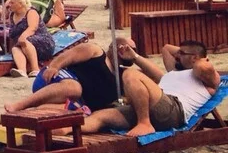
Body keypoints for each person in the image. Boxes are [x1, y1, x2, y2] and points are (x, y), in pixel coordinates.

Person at [83, 40, 221, 139]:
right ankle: (64, 130)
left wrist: (201, 57)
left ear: (195, 58)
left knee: (131, 74)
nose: (176, 55)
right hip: (151, 106)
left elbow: (202, 67)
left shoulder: (206, 77)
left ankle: (144, 123)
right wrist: (134, 57)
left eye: (181, 53)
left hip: (173, 110)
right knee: (100, 115)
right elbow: (166, 48)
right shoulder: (173, 73)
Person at [3, 38, 138, 115]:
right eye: (127, 47)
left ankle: (26, 113)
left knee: (78, 111)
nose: (129, 51)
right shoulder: (96, 52)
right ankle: (19, 105)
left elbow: (157, 78)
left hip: (76, 103)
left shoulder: (124, 77)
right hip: (55, 79)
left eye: (133, 50)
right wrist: (54, 66)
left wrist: (136, 58)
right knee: (74, 88)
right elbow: (69, 55)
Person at [4, 0, 54, 78]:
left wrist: (23, 37)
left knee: (25, 41)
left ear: (20, 3)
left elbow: (32, 28)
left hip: (42, 42)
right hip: (23, 43)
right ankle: (22, 70)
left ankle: (35, 69)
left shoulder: (31, 12)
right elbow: (12, 34)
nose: (9, 5)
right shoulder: (12, 15)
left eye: (12, 3)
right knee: (15, 49)